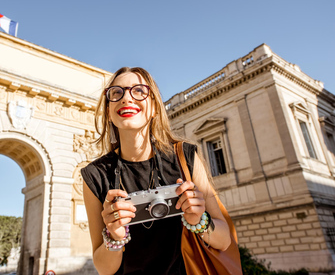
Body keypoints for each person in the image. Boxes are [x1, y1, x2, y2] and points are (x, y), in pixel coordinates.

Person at [81, 67, 231, 275]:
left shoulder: (185, 158)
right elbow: (105, 269)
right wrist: (114, 236)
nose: (126, 98)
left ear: (154, 107)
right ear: (108, 111)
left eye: (139, 91)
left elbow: (224, 240)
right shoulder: (95, 175)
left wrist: (199, 220)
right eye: (117, 93)